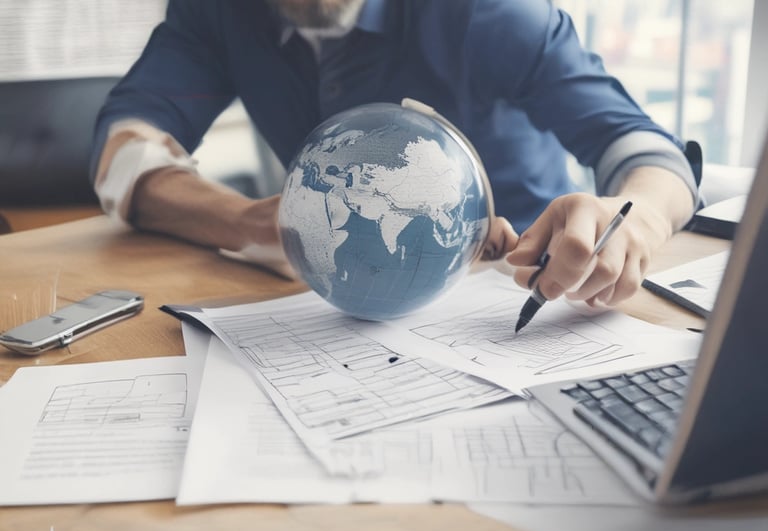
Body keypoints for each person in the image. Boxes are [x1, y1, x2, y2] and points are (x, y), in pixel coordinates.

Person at [91, 0, 699, 308]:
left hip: (524, 297)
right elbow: (126, 144)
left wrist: (635, 217)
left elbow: (640, 148)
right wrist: (252, 221)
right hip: (337, 301)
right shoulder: (219, 12)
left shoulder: (487, 12)